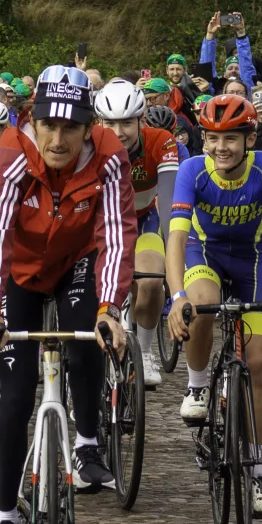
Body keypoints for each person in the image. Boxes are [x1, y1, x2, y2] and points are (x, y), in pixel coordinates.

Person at [0, 65, 137, 524]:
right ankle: (4, 522)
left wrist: (111, 307)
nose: (58, 139)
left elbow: (117, 231)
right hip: (20, 272)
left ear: (89, 127)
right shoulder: (12, 154)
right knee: (16, 398)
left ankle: (86, 444)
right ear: (33, 122)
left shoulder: (109, 156)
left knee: (88, 337)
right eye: (49, 126)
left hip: (77, 261)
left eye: (71, 127)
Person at [166, 95, 262, 515]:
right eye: (212, 138)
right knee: (202, 304)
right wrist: (176, 298)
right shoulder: (192, 169)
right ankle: (198, 384)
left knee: (257, 363)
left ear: (249, 138)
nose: (220, 147)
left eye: (230, 138)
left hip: (252, 260)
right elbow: (175, 237)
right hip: (202, 253)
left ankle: (260, 473)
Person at [95, 78, 179, 386]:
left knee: (151, 280)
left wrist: (174, 253)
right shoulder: (89, 143)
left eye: (127, 123)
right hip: (102, 225)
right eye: (110, 123)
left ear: (141, 119)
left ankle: (144, 351)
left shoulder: (161, 141)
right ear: (98, 122)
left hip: (145, 221)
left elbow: (169, 203)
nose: (118, 133)